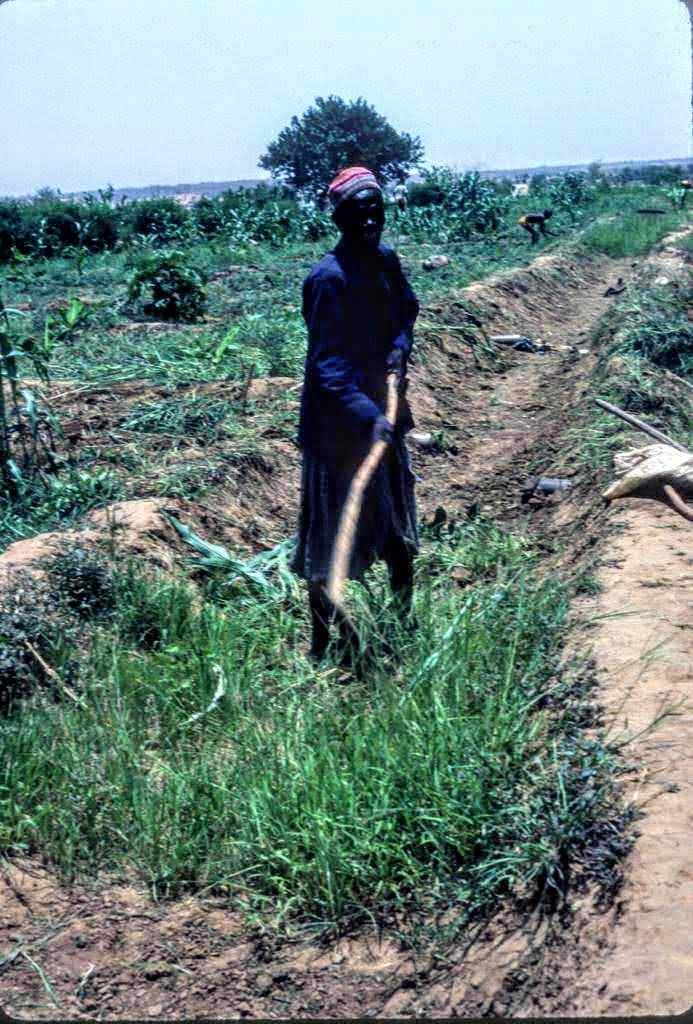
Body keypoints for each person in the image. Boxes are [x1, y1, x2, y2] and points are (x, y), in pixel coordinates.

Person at [292, 166, 420, 663]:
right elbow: (326, 368)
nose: (370, 223)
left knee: (397, 528)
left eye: (376, 213)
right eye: (359, 215)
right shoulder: (327, 280)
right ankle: (323, 646)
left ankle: (403, 624)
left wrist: (398, 348)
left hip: (382, 421)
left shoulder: (385, 262)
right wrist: (368, 415)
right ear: (340, 218)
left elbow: (407, 309)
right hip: (338, 432)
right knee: (328, 543)